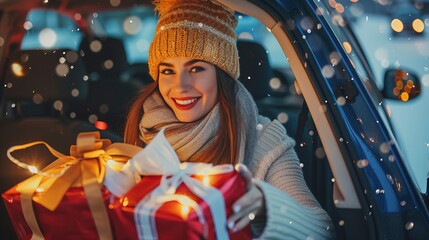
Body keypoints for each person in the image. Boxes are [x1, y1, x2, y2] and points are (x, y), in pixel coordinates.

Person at [124, 0, 334, 239]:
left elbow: (322, 230)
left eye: (196, 69)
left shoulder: (264, 141)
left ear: (221, 73)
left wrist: (267, 206)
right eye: (168, 71)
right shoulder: (144, 132)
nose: (180, 87)